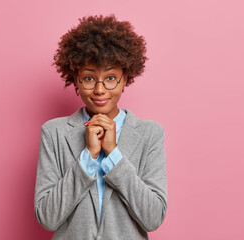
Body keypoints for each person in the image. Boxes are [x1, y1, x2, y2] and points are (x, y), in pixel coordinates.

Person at [34, 14, 167, 240]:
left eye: (111, 78)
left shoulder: (150, 134)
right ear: (75, 78)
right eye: (88, 78)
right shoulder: (53, 133)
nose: (99, 90)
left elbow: (153, 218)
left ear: (125, 78)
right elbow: (47, 217)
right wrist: (88, 158)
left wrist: (114, 154)